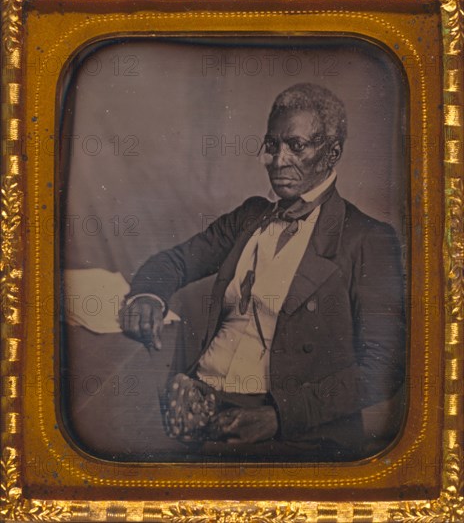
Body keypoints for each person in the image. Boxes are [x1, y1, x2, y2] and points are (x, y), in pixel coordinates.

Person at [120, 82, 405, 461]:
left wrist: (278, 417)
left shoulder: (367, 239)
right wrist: (147, 296)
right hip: (199, 404)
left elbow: (385, 365)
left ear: (332, 153)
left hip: (294, 432)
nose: (277, 160)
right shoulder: (250, 216)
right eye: (272, 145)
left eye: (296, 146)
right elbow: (177, 261)